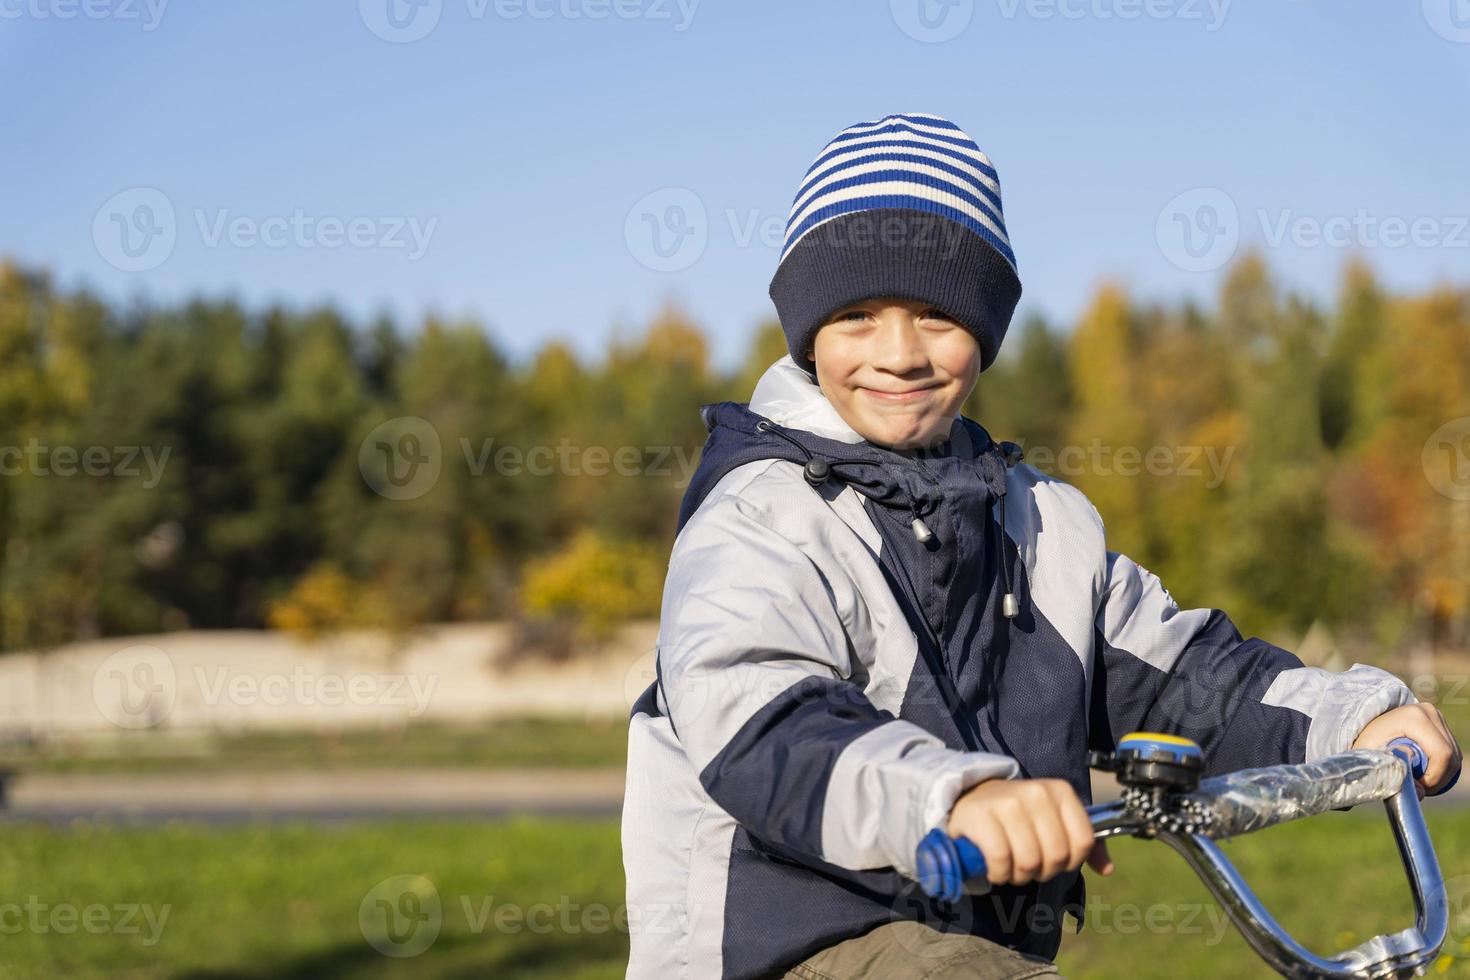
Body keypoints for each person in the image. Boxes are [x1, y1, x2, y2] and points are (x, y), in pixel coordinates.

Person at [620, 112, 1461, 980]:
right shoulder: (760, 514)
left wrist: (1351, 715)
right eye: (859, 315)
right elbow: (762, 720)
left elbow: (1188, 677)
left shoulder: (1045, 525)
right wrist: (955, 798)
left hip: (976, 944)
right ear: (806, 329)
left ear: (985, 331)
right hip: (787, 942)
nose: (900, 353)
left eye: (939, 316)